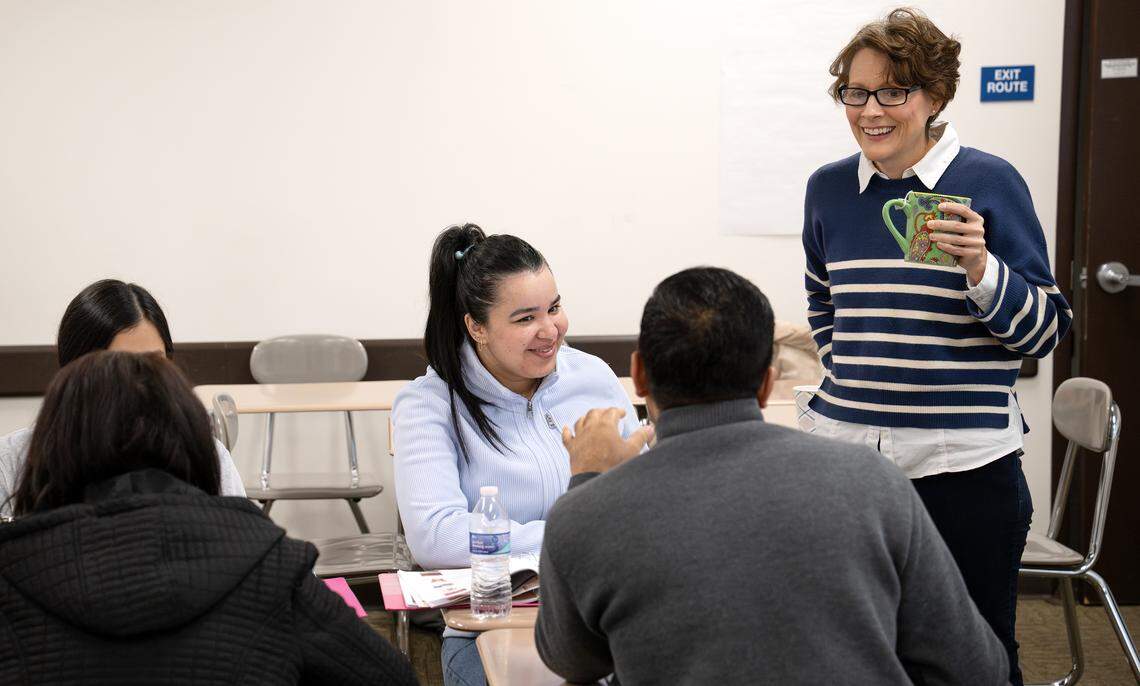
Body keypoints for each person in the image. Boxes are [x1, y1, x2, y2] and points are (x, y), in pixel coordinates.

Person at [534, 266, 1009, 685]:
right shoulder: (874, 481)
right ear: (767, 382)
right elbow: (976, 667)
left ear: (637, 375)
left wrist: (589, 484)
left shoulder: (585, 514)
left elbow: (572, 662)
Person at [801, 9, 1072, 684]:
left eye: (893, 92)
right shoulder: (828, 190)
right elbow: (823, 303)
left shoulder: (988, 182)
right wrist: (858, 384)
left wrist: (982, 270)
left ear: (935, 98)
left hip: (965, 470)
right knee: (862, 651)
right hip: (853, 468)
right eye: (855, 93)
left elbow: (1047, 329)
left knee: (976, 657)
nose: (871, 110)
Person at [0, 351, 417, 685]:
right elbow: (390, 676)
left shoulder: (14, 571)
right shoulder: (266, 562)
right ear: (190, 441)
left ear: (53, 450)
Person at [392, 223, 651, 686]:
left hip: (605, 611)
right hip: (489, 623)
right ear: (476, 327)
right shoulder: (430, 403)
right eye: (525, 318)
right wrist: (571, 535)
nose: (550, 330)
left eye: (554, 308)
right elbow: (435, 536)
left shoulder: (590, 376)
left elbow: (643, 493)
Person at [0, 279, 245, 517]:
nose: (138, 383)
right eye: (117, 367)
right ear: (72, 372)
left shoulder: (207, 456)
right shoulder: (12, 461)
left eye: (154, 364)